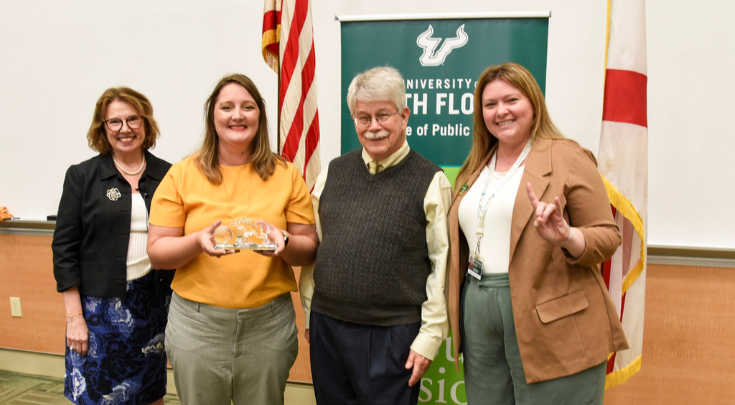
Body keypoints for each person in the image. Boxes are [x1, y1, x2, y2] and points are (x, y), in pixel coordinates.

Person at [446, 62, 629, 404]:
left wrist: (566, 236)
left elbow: (607, 237)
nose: (501, 111)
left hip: (552, 316)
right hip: (479, 310)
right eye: (490, 104)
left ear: (533, 103)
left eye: (511, 100)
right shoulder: (475, 165)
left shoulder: (567, 156)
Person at [147, 73, 318, 405]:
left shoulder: (286, 175)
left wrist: (283, 243)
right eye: (227, 107)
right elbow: (157, 253)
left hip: (267, 326)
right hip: (198, 327)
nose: (237, 115)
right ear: (213, 116)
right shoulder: (181, 174)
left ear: (260, 116)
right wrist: (197, 242)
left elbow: (308, 248)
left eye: (247, 107)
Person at [300, 66, 451, 405]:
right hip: (327, 329)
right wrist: (311, 312)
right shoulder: (333, 172)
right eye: (363, 117)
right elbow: (317, 251)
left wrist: (429, 337)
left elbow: (442, 268)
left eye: (383, 115)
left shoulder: (431, 180)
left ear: (404, 115)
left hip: (392, 334)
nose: (374, 127)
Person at [52, 87, 172, 405]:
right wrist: (73, 317)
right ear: (102, 128)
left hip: (153, 306)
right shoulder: (83, 177)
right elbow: (64, 250)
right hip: (97, 313)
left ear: (145, 123)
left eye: (133, 119)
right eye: (114, 122)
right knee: (98, 396)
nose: (125, 129)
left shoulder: (169, 176)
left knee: (150, 392)